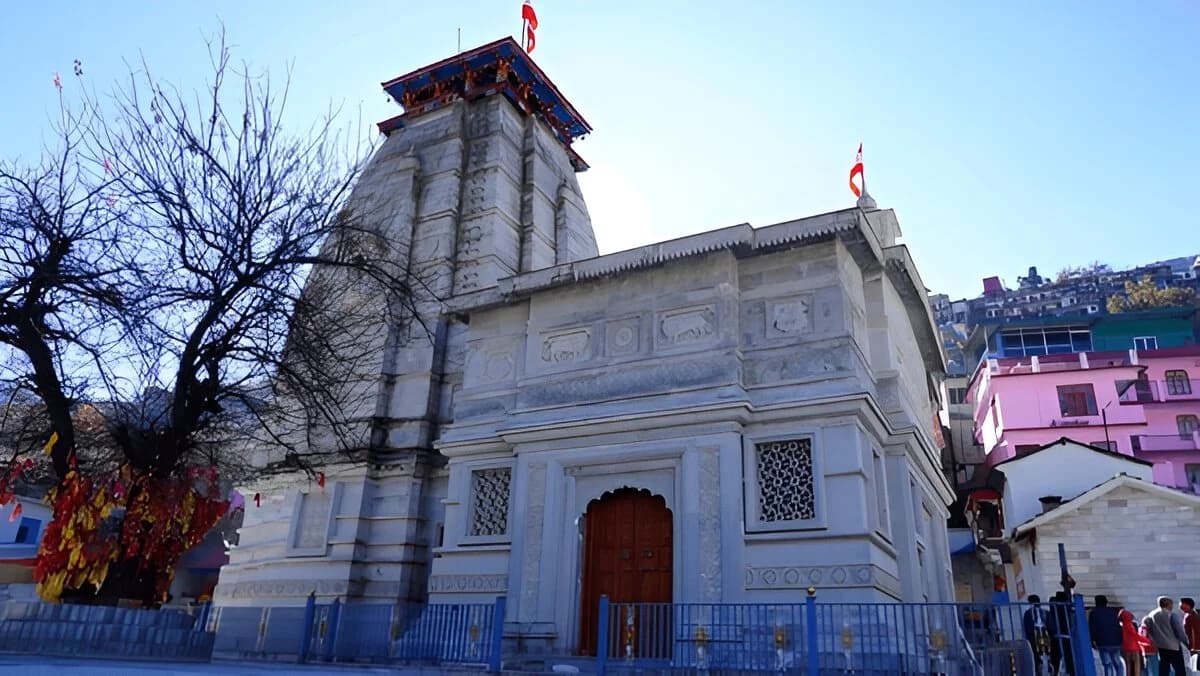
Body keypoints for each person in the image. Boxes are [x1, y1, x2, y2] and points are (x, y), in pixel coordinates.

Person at [1142, 596, 1190, 676]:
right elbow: (1179, 631)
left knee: (1164, 667)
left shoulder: (1151, 615)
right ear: (1167, 604)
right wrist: (1187, 643)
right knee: (1179, 669)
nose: (1172, 606)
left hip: (1161, 646)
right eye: (1171, 604)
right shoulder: (1171, 615)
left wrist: (1155, 640)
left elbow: (1148, 629)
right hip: (1174, 646)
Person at [1090, 596, 1125, 676]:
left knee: (1107, 664)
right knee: (1117, 663)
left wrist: (1092, 641)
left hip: (1103, 643)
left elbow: (1092, 628)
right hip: (1116, 642)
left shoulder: (1094, 613)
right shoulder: (1113, 611)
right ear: (1106, 602)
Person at [1025, 595, 1054, 669]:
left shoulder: (1044, 612)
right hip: (1036, 633)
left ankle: (1046, 663)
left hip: (1043, 632)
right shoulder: (1029, 613)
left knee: (1046, 648)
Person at [1121, 608, 1149, 676]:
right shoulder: (1129, 625)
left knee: (1127, 665)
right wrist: (1147, 641)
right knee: (1137, 665)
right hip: (1134, 647)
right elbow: (1135, 636)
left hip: (1125, 647)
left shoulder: (1122, 625)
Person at [1181, 598, 1200, 668]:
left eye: (1182, 604)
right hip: (1190, 644)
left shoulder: (1192, 616)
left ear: (1188, 605)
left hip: (1195, 647)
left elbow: (1196, 632)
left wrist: (1195, 648)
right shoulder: (1188, 615)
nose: (1180, 606)